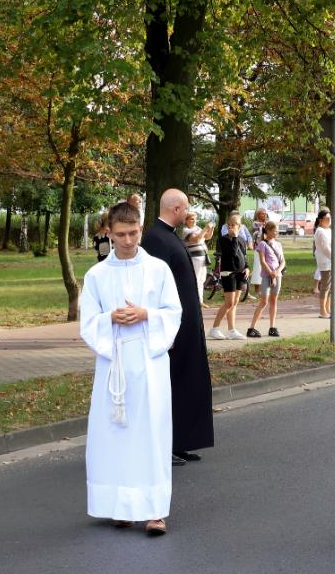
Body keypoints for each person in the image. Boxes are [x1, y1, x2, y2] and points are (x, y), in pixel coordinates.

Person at [78, 201, 183, 535]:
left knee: (150, 434)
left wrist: (146, 314)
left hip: (149, 362)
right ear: (109, 232)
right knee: (114, 436)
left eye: (134, 233)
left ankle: (155, 511)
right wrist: (110, 317)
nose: (127, 240)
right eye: (120, 234)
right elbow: (88, 321)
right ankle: (120, 507)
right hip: (114, 365)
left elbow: (173, 312)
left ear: (140, 228)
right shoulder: (96, 275)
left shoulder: (157, 270)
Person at [141, 190, 216, 465]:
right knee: (170, 385)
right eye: (185, 209)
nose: (188, 214)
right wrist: (162, 328)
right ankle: (164, 445)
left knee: (187, 382)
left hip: (186, 324)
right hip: (172, 328)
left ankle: (181, 441)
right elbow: (153, 288)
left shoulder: (169, 235)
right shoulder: (155, 239)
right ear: (176, 209)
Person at [209, 212, 250, 341]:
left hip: (239, 272)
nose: (231, 227)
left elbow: (243, 256)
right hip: (228, 272)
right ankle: (214, 328)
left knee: (235, 302)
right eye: (229, 225)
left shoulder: (242, 240)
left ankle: (231, 330)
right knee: (229, 302)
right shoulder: (224, 239)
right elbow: (231, 253)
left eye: (233, 225)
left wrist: (247, 268)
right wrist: (233, 238)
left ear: (239, 226)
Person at [248, 225, 284, 338]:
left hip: (277, 275)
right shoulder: (262, 244)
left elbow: (283, 261)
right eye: (274, 231)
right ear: (268, 231)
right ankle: (252, 327)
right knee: (264, 301)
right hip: (267, 275)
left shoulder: (278, 244)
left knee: (273, 300)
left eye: (277, 231)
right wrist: (271, 274)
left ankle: (272, 326)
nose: (276, 233)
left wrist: (277, 272)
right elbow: (262, 261)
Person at [314, 210, 335, 318]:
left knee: (331, 287)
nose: (329, 220)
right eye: (327, 219)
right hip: (327, 262)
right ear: (320, 220)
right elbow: (326, 248)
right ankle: (322, 311)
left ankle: (328, 310)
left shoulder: (329, 231)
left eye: (330, 218)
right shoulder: (320, 231)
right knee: (325, 287)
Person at [181, 212, 214, 306]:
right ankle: (191, 300)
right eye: (191, 219)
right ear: (186, 221)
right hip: (195, 258)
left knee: (201, 279)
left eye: (195, 219)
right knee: (195, 278)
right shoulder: (186, 230)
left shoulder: (198, 228)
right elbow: (196, 239)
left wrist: (211, 229)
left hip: (203, 257)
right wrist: (205, 229)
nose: (194, 221)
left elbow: (207, 237)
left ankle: (200, 301)